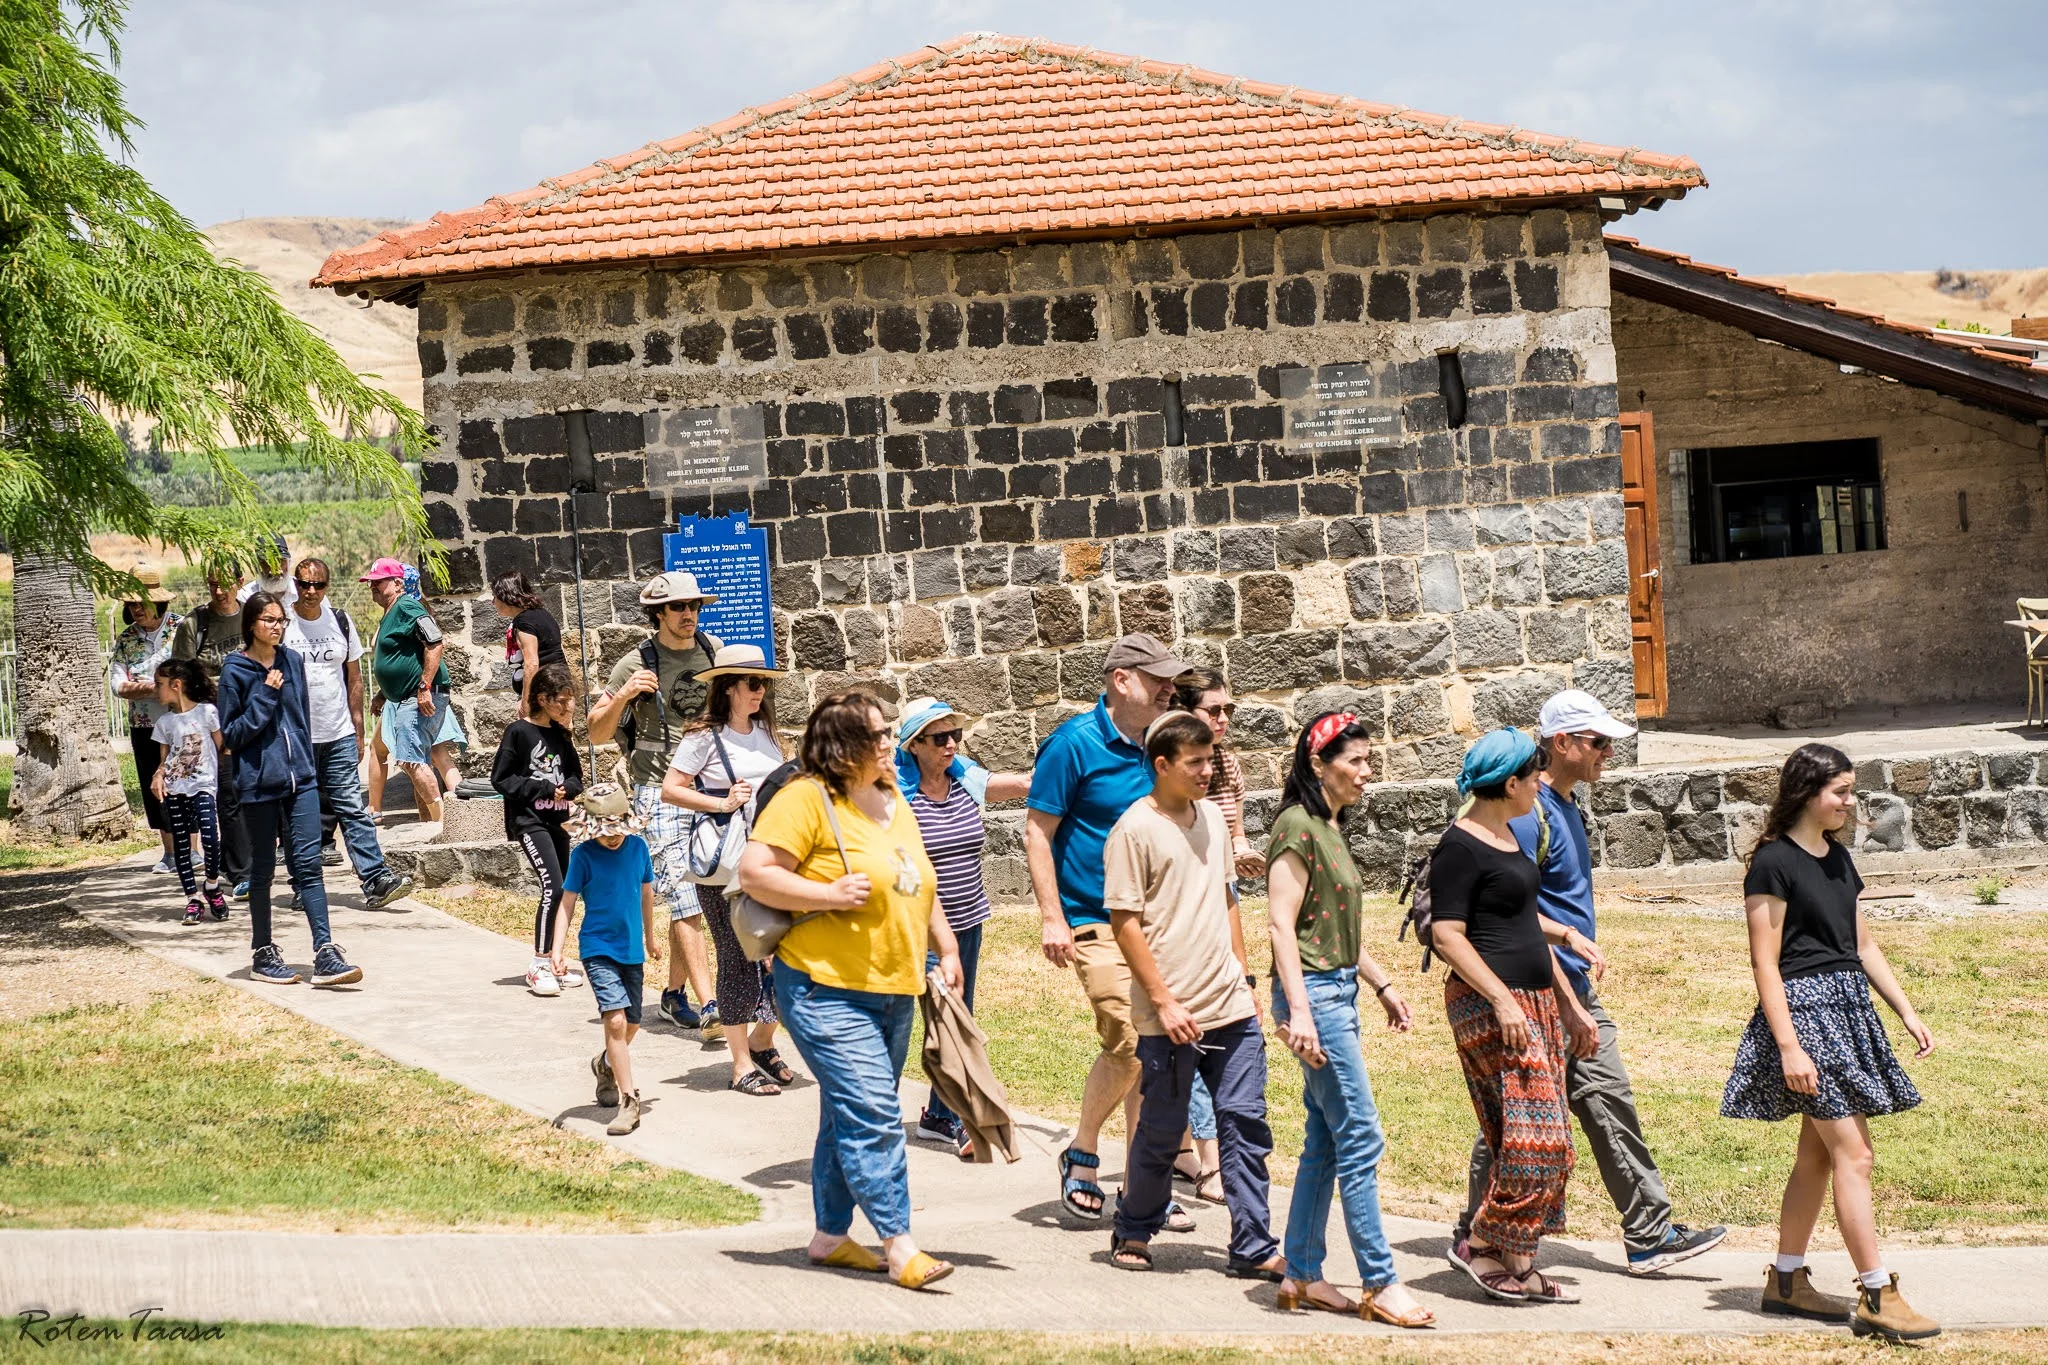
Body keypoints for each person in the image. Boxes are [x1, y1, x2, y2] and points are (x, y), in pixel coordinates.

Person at [1449, 689, 1725, 1276]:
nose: (1607, 753)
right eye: (1597, 742)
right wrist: (1569, 1000)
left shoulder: (1566, 807)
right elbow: (1509, 914)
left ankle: (1484, 1233)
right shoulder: (1529, 813)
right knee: (1547, 1110)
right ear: (1562, 743)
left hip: (1564, 986)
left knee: (1547, 1110)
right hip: (1541, 989)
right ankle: (1489, 1235)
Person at [735, 690, 960, 1291]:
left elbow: (917, 877)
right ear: (843, 746)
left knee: (849, 1112)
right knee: (876, 1114)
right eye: (880, 735)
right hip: (822, 988)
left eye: (889, 733)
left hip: (893, 988)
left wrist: (948, 947)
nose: (891, 743)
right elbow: (755, 870)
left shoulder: (891, 799)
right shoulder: (807, 799)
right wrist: (828, 896)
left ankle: (831, 1237)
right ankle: (900, 1244)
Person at [1722, 744, 1938, 1343]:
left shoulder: (1838, 857)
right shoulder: (1773, 863)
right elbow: (1765, 964)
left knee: (1819, 1155)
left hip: (1850, 1012)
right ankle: (1876, 1294)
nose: (1849, 801)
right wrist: (1790, 1046)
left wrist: (1906, 1012)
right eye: (1839, 791)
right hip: (1807, 1017)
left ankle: (1786, 1282)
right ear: (1806, 792)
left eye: (1850, 790)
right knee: (1856, 1156)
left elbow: (1862, 945)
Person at [1266, 711, 1434, 1328]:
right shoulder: (1296, 827)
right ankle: (1380, 1283)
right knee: (1362, 1135)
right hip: (1314, 999)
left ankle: (1302, 1276)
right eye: (1356, 761)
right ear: (1319, 764)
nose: (1368, 772)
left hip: (1338, 992)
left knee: (1326, 1142)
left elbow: (1333, 925)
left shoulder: (1329, 827)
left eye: (1369, 760)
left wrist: (1383, 983)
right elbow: (1282, 925)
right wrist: (1301, 1013)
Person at [1103, 711, 1284, 1281]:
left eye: (1211, 760)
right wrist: (1164, 1002)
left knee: (1244, 1125)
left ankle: (1253, 1245)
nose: (1209, 772)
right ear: (1162, 765)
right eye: (1196, 762)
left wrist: (1245, 979)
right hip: (1170, 1016)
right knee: (1161, 1129)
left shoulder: (1209, 816)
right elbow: (1125, 922)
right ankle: (1134, 1227)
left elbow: (1227, 899)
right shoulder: (1133, 829)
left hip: (1230, 1006)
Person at [1026, 632, 1192, 1223]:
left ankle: (1144, 1185)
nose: (1170, 690)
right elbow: (1037, 831)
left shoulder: (1163, 746)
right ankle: (1084, 1149)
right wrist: (1052, 917)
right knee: (1126, 1038)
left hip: (1159, 923)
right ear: (1121, 681)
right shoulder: (1073, 744)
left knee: (1156, 1050)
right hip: (1095, 918)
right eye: (1159, 681)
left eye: (1172, 681)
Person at [1432, 727, 1597, 1304]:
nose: (1538, 785)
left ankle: (1520, 1264)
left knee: (1540, 1143)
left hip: (1536, 1001)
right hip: (1491, 1007)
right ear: (1509, 784)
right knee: (1536, 1143)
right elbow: (1447, 935)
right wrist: (1502, 999)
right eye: (1532, 777)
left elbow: (1521, 918)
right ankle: (1478, 1243)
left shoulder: (1508, 835)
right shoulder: (1460, 845)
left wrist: (1568, 944)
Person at [587, 570, 722, 1035]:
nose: (689, 615)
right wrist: (624, 695)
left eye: (695, 607)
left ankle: (671, 995)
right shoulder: (634, 662)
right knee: (685, 898)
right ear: (658, 613)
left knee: (704, 897)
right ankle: (712, 1007)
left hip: (708, 790)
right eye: (679, 608)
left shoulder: (714, 653)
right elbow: (595, 731)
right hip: (657, 790)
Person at [897, 696, 1032, 1154]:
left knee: (959, 1015)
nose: (952, 743)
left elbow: (1000, 785)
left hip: (969, 919)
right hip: (924, 929)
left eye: (955, 734)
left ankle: (938, 1114)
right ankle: (958, 1117)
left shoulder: (963, 778)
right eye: (940, 737)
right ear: (914, 745)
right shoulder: (898, 793)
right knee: (947, 1020)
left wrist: (1044, 783)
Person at [659, 643, 793, 1095]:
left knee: (786, 957)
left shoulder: (768, 733)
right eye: (753, 683)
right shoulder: (703, 736)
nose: (760, 692)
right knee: (738, 960)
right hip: (726, 867)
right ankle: (741, 1066)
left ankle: (762, 1042)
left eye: (764, 684)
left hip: (773, 860)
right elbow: (671, 790)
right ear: (729, 687)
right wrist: (721, 801)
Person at [216, 592, 362, 989]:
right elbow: (230, 736)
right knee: (263, 870)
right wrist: (264, 695)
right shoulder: (235, 671)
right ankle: (263, 952)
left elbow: (300, 721)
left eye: (281, 620)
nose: (277, 626)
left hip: (301, 780)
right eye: (268, 620)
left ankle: (325, 951)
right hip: (260, 785)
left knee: (309, 864)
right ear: (251, 624)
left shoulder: (292, 661)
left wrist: (306, 767)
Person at [1170, 667, 1266, 1203]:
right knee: (1194, 1029)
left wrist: (1242, 851)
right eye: (1214, 710)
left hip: (1220, 896)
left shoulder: (1227, 764)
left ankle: (1189, 1152)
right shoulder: (1174, 767)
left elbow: (1233, 832)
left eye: (1228, 709)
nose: (1225, 718)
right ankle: (1206, 1161)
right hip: (1186, 908)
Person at [282, 557, 412, 908]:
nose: (311, 592)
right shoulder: (283, 623)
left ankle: (376, 879)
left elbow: (354, 678)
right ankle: (304, 885)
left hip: (337, 731)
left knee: (353, 808)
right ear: (295, 583)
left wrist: (358, 729)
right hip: (296, 736)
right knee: (302, 813)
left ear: (328, 586)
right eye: (304, 584)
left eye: (319, 585)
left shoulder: (339, 620)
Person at [549, 784, 663, 1137]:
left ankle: (604, 1063)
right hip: (597, 947)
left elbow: (645, 894)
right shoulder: (583, 856)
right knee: (614, 1021)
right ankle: (629, 1101)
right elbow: (567, 903)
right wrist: (557, 949)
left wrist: (650, 936)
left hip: (631, 949)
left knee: (632, 1024)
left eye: (617, 831)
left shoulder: (639, 848)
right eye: (605, 832)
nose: (612, 839)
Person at [493, 662, 586, 997]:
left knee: (566, 890)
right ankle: (538, 963)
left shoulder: (561, 735)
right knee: (553, 886)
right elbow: (502, 779)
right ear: (543, 699)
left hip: (558, 821)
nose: (567, 707)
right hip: (530, 822)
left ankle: (556, 961)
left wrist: (569, 789)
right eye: (561, 700)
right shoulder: (518, 732)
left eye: (570, 700)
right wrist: (544, 790)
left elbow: (575, 775)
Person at [171, 561, 253, 897]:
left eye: (225, 584)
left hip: (251, 720)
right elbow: (180, 679)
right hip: (211, 729)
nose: (219, 591)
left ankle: (254, 859)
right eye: (212, 584)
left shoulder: (253, 616)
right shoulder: (195, 624)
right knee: (226, 797)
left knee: (258, 793)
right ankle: (240, 871)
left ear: (240, 581)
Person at [362, 556, 464, 823]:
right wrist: (383, 694)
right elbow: (402, 658)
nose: (373, 587)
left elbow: (434, 641)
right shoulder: (391, 612)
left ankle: (443, 822)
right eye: (371, 583)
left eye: (379, 582)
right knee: (424, 756)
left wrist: (424, 686)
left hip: (418, 697)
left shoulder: (407, 605)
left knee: (410, 759)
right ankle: (445, 820)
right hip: (406, 697)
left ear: (397, 583)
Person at [109, 569, 184, 873]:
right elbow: (117, 684)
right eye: (132, 605)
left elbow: (190, 674)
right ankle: (168, 852)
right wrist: (151, 688)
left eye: (142, 603)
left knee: (184, 783)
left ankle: (190, 850)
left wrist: (151, 687)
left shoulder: (181, 628)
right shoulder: (126, 639)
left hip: (180, 722)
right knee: (154, 787)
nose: (136, 610)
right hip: (144, 725)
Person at [149, 658, 226, 926]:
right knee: (181, 846)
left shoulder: (206, 713)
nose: (155, 690)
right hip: (175, 790)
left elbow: (223, 748)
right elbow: (164, 760)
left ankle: (212, 886)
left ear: (176, 685)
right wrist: (158, 776)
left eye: (159, 684)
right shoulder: (164, 723)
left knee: (211, 839)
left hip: (203, 786)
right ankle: (192, 899)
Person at [491, 572, 566, 721]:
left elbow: (531, 663)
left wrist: (526, 702)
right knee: (560, 738)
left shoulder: (524, 622)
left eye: (495, 597)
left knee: (537, 740)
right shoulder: (542, 614)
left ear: (507, 596)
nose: (493, 602)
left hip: (544, 692)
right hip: (559, 685)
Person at [236, 533, 296, 608]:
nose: (274, 569)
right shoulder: (245, 597)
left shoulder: (302, 590)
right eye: (267, 562)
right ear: (256, 566)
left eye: (280, 561)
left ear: (289, 563)